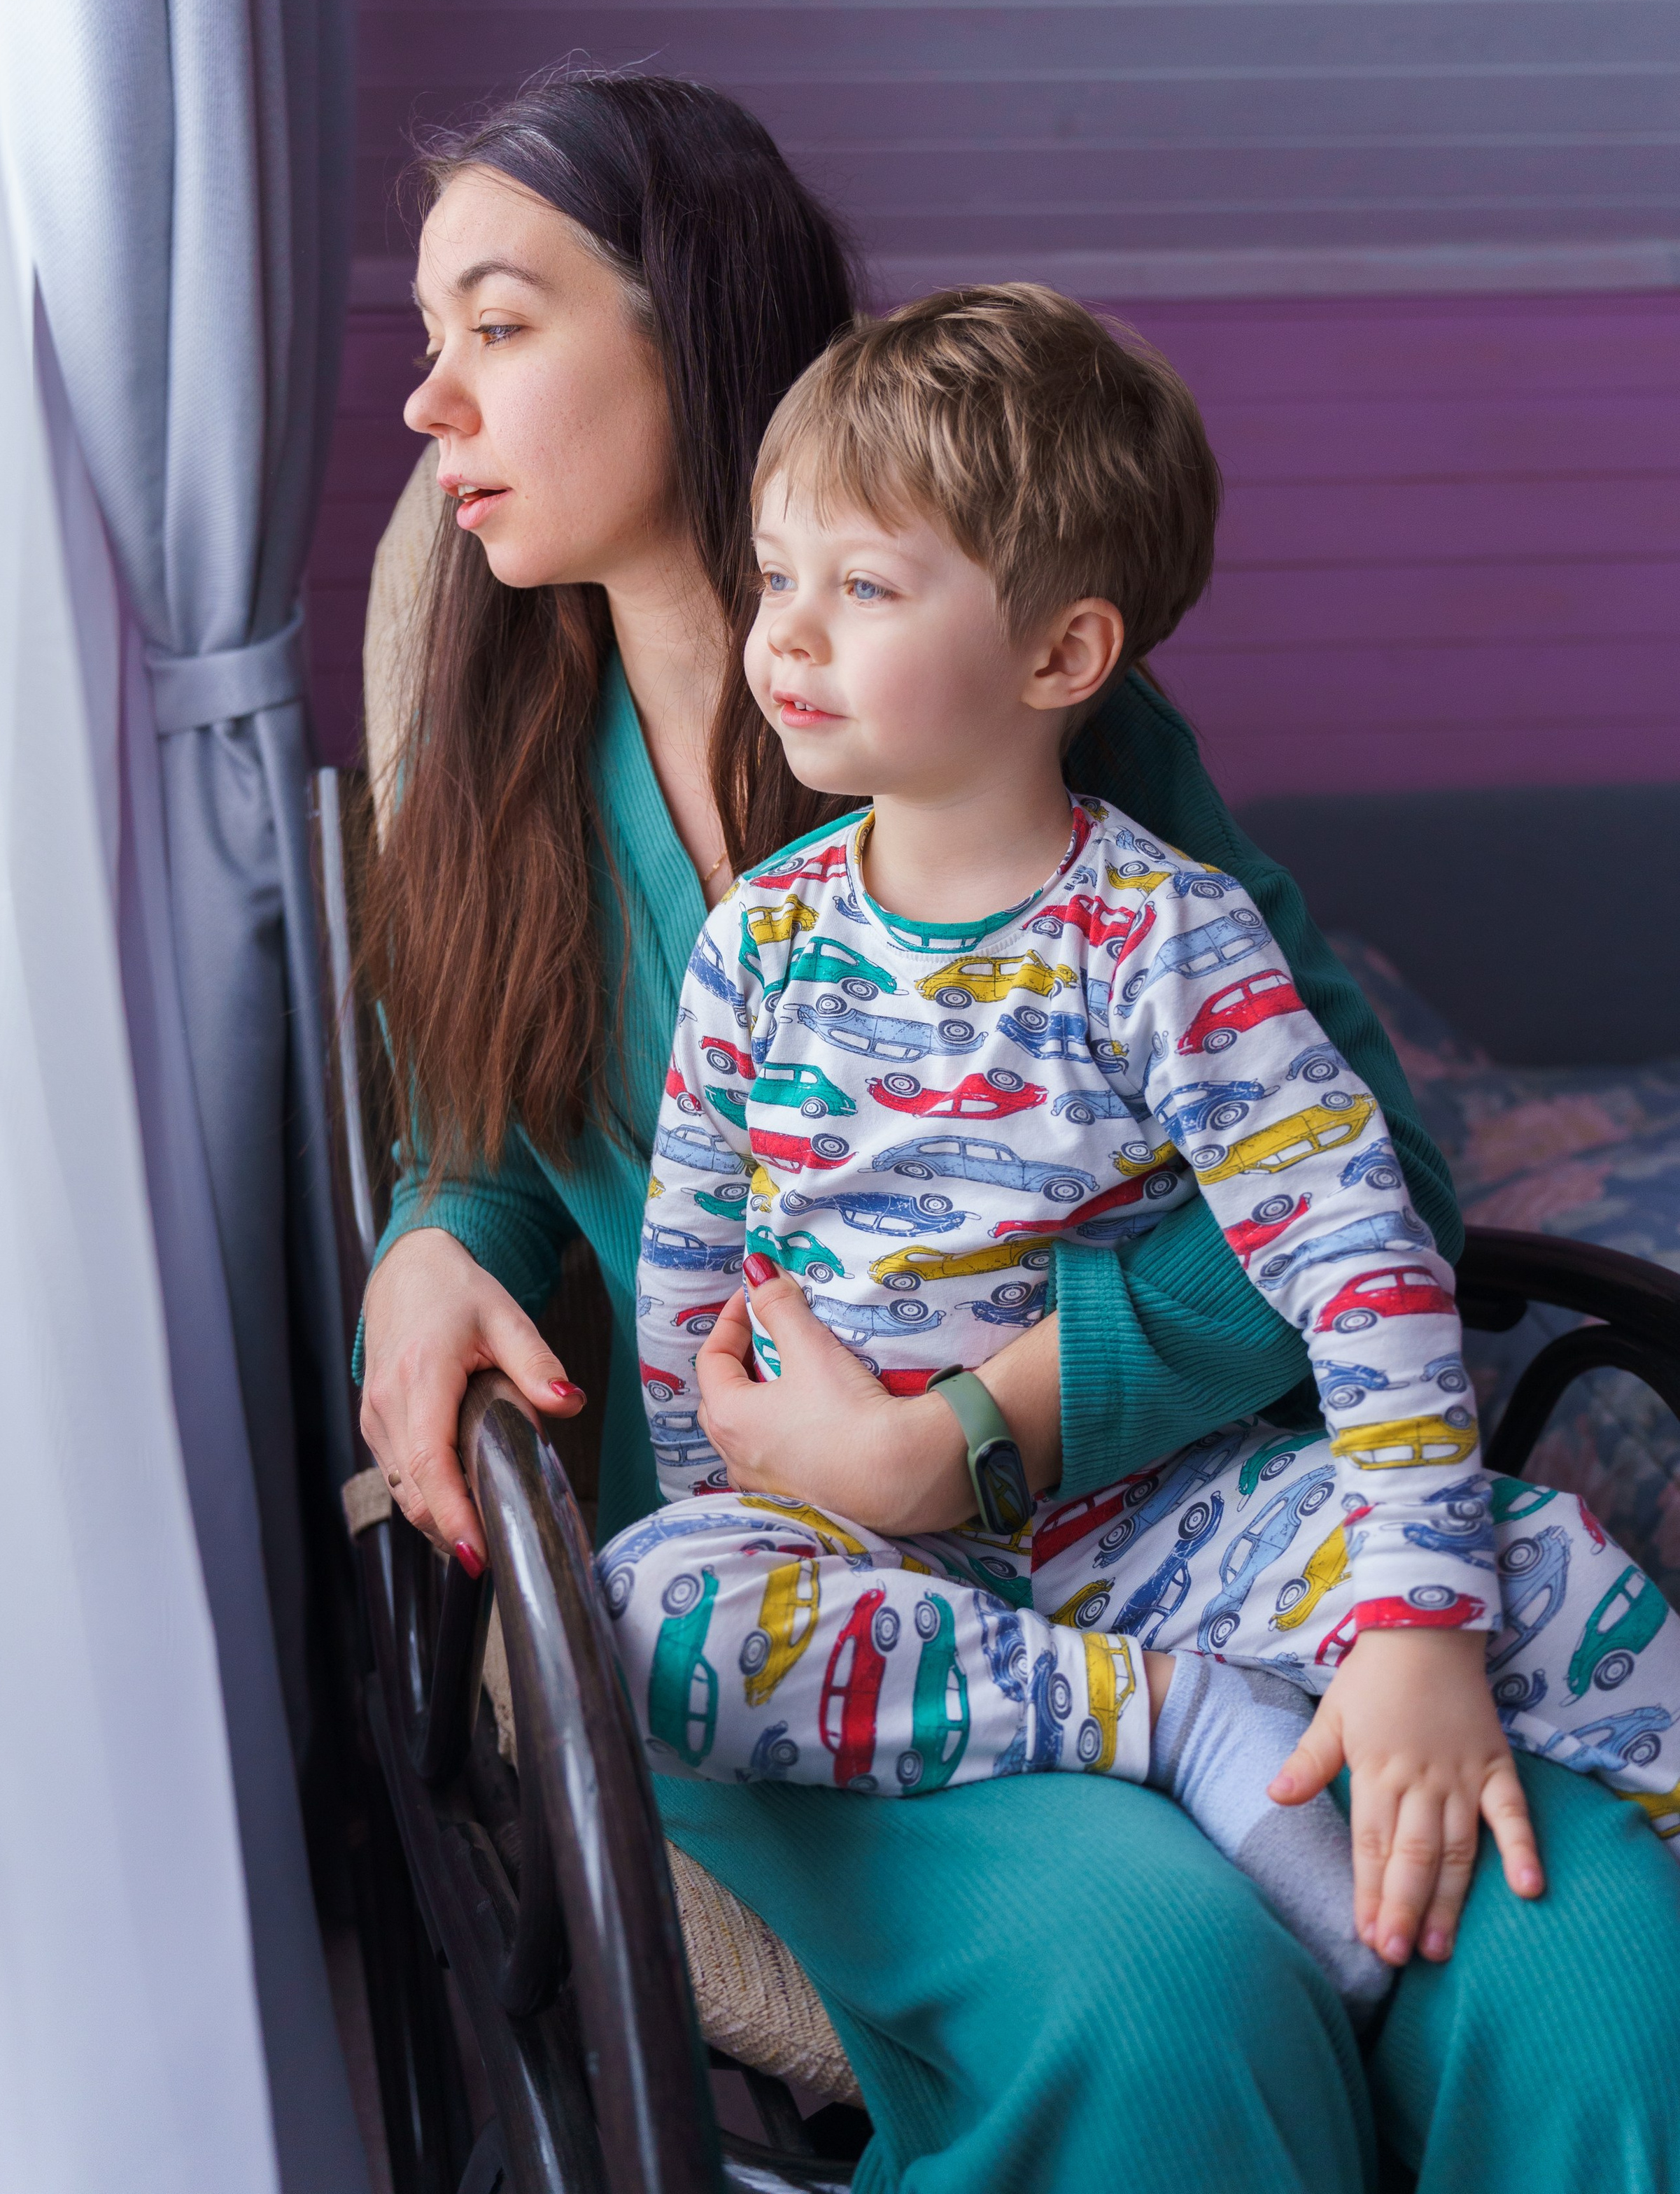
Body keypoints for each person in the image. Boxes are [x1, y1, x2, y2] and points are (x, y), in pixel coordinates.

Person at [358, 67, 1680, 2193]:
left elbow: (1375, 1189)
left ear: (690, 335)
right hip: (823, 1638)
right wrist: (435, 1238)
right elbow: (497, 1150)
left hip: (1179, 1538)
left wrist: (975, 1429)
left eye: (497, 328)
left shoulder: (1041, 732)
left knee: (1598, 1974)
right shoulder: (503, 779)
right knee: (1162, 2007)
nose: (427, 405)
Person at [603, 283, 1680, 2023]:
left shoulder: (1164, 939)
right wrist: (729, 1494)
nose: (785, 638)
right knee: (647, 1615)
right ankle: (1173, 1722)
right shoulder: (761, 945)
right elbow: (689, 1268)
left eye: (861, 587)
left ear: (1059, 658)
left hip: (1165, 1515)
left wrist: (1409, 1620)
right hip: (856, 1547)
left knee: (1550, 1575)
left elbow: (1359, 1251)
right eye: (775, 574)